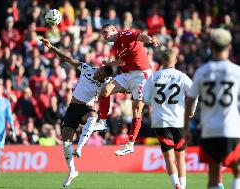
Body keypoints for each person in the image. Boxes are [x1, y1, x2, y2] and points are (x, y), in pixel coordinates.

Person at [40, 38, 113, 187]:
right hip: (72, 108)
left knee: (92, 117)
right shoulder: (87, 68)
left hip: (86, 109)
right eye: (99, 70)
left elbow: (120, 88)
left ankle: (79, 147)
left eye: (101, 74)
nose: (98, 74)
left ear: (105, 77)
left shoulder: (105, 84)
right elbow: (68, 59)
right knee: (65, 142)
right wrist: (52, 47)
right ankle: (72, 171)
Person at [184, 28, 240, 189]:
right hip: (231, 128)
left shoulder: (202, 71)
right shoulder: (236, 71)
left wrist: (186, 127)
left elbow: (190, 100)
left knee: (213, 176)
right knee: (237, 171)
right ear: (229, 46)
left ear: (210, 45)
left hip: (209, 130)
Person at [98, 23, 160, 156]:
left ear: (114, 29)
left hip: (141, 74)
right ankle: (102, 122)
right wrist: (110, 64)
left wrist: (150, 39)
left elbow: (139, 37)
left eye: (105, 31)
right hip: (127, 75)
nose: (104, 35)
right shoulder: (116, 46)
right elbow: (122, 62)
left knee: (137, 109)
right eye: (102, 33)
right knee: (105, 90)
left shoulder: (124, 34)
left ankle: (130, 144)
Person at [143, 49, 197, 189]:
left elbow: (145, 98)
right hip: (179, 120)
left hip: (160, 121)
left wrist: (154, 103)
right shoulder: (181, 76)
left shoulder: (154, 76)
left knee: (169, 157)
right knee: (181, 157)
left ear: (162, 61)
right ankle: (182, 187)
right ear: (175, 61)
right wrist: (190, 110)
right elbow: (194, 93)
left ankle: (176, 185)